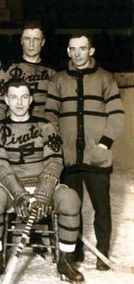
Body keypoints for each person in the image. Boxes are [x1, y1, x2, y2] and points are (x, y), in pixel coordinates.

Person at [0, 79, 85, 284]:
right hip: (10, 186)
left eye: (24, 97)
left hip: (42, 183)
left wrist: (43, 194)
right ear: (6, 100)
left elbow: (55, 160)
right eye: (13, 97)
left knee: (70, 198)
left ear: (31, 100)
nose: (19, 102)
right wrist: (20, 195)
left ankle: (65, 260)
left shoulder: (46, 126)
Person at [45, 34, 124, 270]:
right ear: (68, 52)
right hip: (69, 158)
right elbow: (50, 115)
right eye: (73, 49)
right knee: (72, 207)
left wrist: (104, 144)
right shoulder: (58, 80)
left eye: (83, 48)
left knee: (102, 208)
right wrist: (56, 142)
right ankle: (75, 251)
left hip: (96, 157)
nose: (78, 53)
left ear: (91, 51)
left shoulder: (106, 78)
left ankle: (102, 253)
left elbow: (117, 115)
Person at [0, 21, 56, 124]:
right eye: (27, 39)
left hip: (40, 131)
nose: (31, 44)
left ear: (42, 42)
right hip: (13, 131)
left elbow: (53, 110)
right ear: (21, 41)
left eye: (36, 39)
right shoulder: (8, 69)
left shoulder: (52, 72)